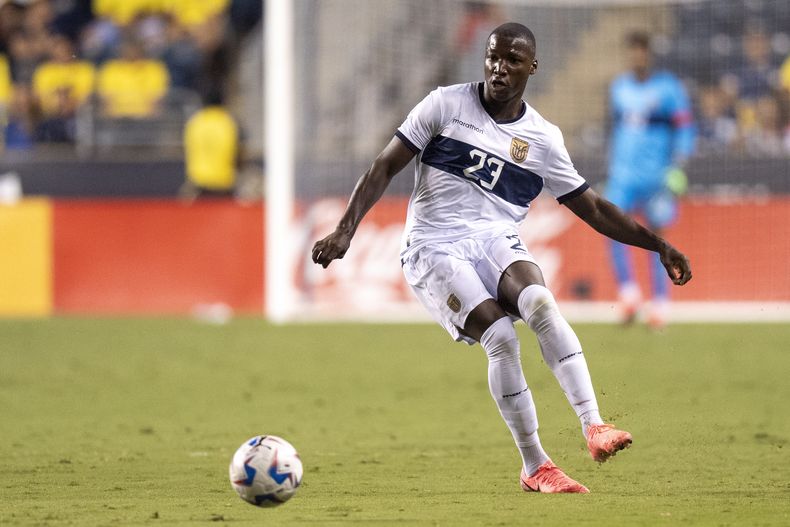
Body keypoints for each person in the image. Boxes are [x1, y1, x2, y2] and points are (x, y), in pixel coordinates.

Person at [312, 23, 691, 493]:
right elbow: (384, 165)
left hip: (494, 239)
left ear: (532, 67)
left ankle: (594, 426)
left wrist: (658, 245)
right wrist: (346, 229)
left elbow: (593, 209)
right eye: (493, 56)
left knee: (541, 304)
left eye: (512, 60)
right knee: (502, 339)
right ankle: (535, 466)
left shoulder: (543, 139)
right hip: (433, 245)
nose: (499, 67)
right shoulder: (444, 104)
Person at [605, 31, 695, 328]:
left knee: (657, 238)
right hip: (623, 175)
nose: (637, 57)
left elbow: (684, 127)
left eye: (641, 51)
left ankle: (660, 302)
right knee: (611, 227)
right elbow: (616, 129)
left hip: (656, 177)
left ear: (649, 55)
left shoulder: (669, 88)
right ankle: (629, 294)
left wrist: (678, 165)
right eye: (632, 51)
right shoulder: (619, 88)